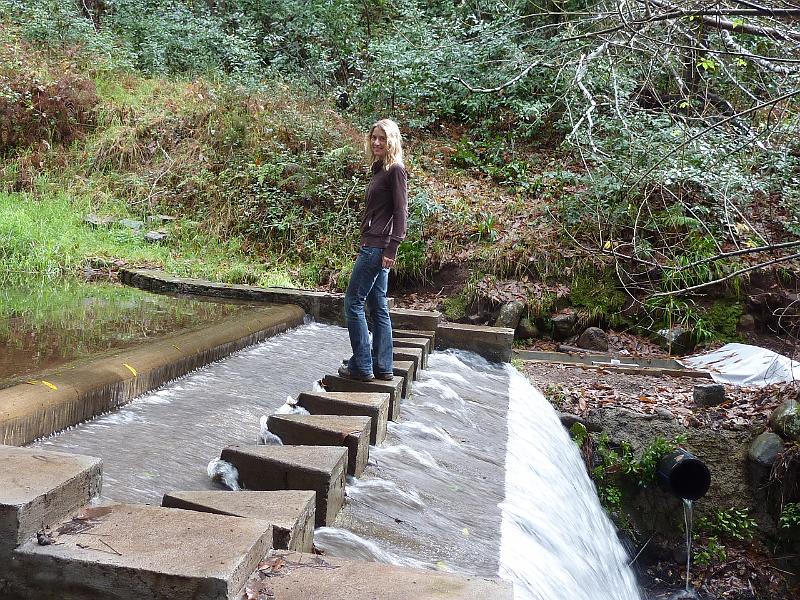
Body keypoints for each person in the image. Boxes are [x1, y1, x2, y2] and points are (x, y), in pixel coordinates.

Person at [339, 118, 408, 382]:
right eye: (374, 138)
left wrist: (392, 248)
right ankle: (382, 365)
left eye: (382, 138)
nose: (377, 142)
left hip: (377, 248)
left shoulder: (396, 171)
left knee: (353, 303)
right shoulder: (381, 170)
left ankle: (362, 366)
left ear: (392, 141)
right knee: (378, 305)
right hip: (377, 246)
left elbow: (401, 213)